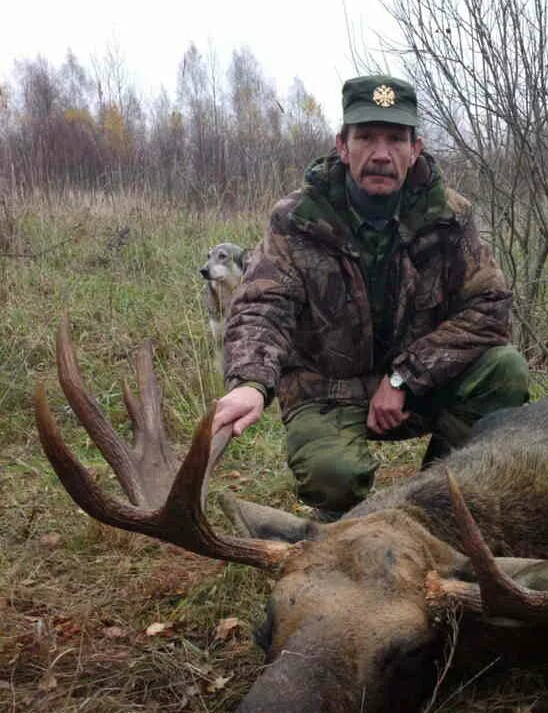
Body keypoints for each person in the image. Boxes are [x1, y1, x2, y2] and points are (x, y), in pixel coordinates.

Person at [212, 75, 529, 516]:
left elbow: (490, 308)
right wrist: (250, 383)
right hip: (327, 391)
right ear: (343, 146)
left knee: (504, 369)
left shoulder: (449, 217)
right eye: (366, 137)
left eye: (396, 139)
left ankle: (438, 503)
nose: (381, 154)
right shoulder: (297, 219)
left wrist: (404, 377)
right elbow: (262, 306)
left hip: (416, 387)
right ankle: (338, 522)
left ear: (415, 149)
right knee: (332, 477)